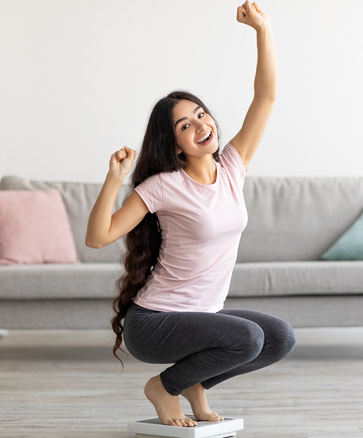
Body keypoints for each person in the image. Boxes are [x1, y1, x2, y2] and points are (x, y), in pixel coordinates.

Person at [85, 1, 294, 428]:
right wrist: (114, 177)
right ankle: (164, 388)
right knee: (249, 337)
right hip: (156, 323)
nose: (200, 125)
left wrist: (263, 29)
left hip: (203, 319)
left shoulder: (233, 166)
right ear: (176, 143)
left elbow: (267, 96)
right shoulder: (164, 185)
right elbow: (98, 236)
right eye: (185, 125)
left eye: (200, 114)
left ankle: (192, 383)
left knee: (277, 338)